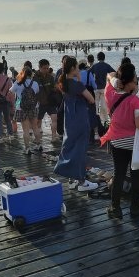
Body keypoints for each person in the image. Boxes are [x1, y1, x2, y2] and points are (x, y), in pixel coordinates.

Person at [100, 63, 139, 218]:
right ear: (128, 83)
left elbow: (110, 75)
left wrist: (114, 80)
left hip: (117, 142)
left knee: (118, 174)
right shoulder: (135, 101)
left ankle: (115, 208)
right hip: (133, 144)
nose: (137, 83)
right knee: (136, 175)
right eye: (135, 81)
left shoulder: (110, 94)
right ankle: (135, 208)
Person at [53, 57, 98, 191]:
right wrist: (79, 79)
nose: (79, 69)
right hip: (80, 119)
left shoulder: (63, 83)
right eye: (77, 67)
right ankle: (82, 182)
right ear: (73, 69)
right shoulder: (77, 85)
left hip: (69, 120)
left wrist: (77, 78)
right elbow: (90, 99)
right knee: (80, 149)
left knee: (70, 147)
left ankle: (72, 179)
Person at [10, 66, 41, 154]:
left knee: (26, 130)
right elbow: (37, 92)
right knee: (35, 127)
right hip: (34, 107)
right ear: (31, 74)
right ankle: (38, 145)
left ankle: (27, 149)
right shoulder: (34, 83)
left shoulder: (18, 83)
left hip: (22, 108)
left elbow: (10, 91)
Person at [35, 59, 61, 143]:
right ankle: (37, 138)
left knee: (54, 118)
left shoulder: (50, 77)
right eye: (44, 68)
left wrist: (56, 88)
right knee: (38, 121)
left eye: (47, 68)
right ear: (39, 67)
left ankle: (53, 137)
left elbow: (54, 87)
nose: (46, 70)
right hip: (40, 103)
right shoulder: (35, 78)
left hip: (50, 102)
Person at [90, 52, 115, 122]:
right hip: (104, 88)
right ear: (104, 58)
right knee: (104, 106)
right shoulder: (106, 65)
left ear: (97, 58)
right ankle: (104, 121)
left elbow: (89, 73)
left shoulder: (95, 66)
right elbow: (114, 72)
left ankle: (95, 120)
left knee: (96, 105)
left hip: (96, 88)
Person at [79, 61, 99, 141]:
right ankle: (96, 134)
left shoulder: (76, 74)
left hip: (79, 96)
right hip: (89, 95)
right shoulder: (88, 74)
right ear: (85, 67)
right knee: (92, 113)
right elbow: (95, 86)